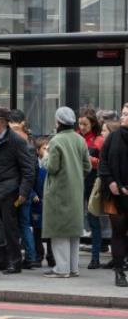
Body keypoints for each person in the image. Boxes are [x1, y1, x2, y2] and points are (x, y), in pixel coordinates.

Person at [0, 106, 35, 275]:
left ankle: (15, 261)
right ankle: (0, 259)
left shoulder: (17, 141)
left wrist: (23, 193)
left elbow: (29, 169)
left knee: (10, 227)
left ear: (2, 122)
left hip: (9, 190)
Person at [42, 107, 91, 278]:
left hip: (58, 191)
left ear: (58, 122)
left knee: (59, 231)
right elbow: (88, 166)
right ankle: (73, 268)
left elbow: (52, 167)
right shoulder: (80, 140)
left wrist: (45, 156)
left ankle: (62, 269)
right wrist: (76, 175)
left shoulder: (56, 141)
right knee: (73, 232)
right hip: (76, 190)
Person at [99, 103, 128, 286]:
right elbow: (103, 163)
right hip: (115, 194)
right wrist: (112, 183)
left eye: (127, 114)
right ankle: (119, 271)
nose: (123, 117)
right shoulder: (113, 137)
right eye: (123, 113)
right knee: (118, 233)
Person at [9, 109, 40, 269]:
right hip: (25, 190)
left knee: (21, 224)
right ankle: (30, 255)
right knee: (24, 224)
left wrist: (25, 192)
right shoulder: (30, 142)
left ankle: (29, 256)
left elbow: (28, 171)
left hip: (20, 191)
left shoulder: (22, 144)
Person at [78, 108, 105, 269]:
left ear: (92, 123)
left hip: (92, 181)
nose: (81, 127)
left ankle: (95, 257)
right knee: (75, 216)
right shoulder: (77, 137)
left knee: (93, 219)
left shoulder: (99, 140)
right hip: (78, 180)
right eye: (80, 123)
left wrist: (90, 160)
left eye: (85, 124)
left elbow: (104, 163)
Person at [32, 136, 55, 268]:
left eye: (48, 148)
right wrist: (32, 194)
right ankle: (38, 255)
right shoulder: (35, 164)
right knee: (37, 231)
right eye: (44, 148)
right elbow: (30, 182)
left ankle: (51, 256)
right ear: (37, 150)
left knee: (51, 231)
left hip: (49, 202)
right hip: (37, 203)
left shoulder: (51, 165)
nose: (47, 151)